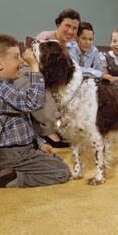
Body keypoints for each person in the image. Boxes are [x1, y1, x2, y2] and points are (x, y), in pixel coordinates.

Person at [0, 33, 70, 187]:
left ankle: (5, 171)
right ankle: (13, 178)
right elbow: (33, 102)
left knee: (55, 160)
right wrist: (34, 68)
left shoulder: (8, 86)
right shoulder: (0, 89)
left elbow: (24, 123)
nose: (21, 61)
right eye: (16, 57)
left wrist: (40, 143)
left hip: (20, 150)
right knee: (61, 172)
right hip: (13, 154)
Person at [15, 8, 82, 148]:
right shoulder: (45, 38)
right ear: (58, 24)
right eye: (67, 26)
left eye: (74, 28)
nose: (70, 31)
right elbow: (32, 59)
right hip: (29, 71)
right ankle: (48, 131)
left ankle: (63, 127)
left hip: (48, 76)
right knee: (43, 89)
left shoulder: (72, 47)